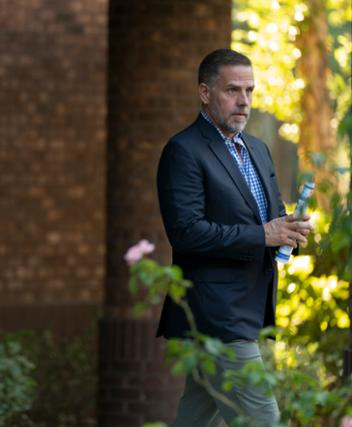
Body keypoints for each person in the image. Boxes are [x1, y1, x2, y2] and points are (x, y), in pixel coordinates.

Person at [155, 48, 313, 426]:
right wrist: (263, 234)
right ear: (205, 93)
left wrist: (290, 229)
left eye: (250, 91)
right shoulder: (184, 151)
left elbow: (270, 221)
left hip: (249, 308)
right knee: (264, 420)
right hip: (216, 316)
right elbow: (186, 233)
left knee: (194, 417)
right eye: (232, 90)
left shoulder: (257, 149)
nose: (244, 101)